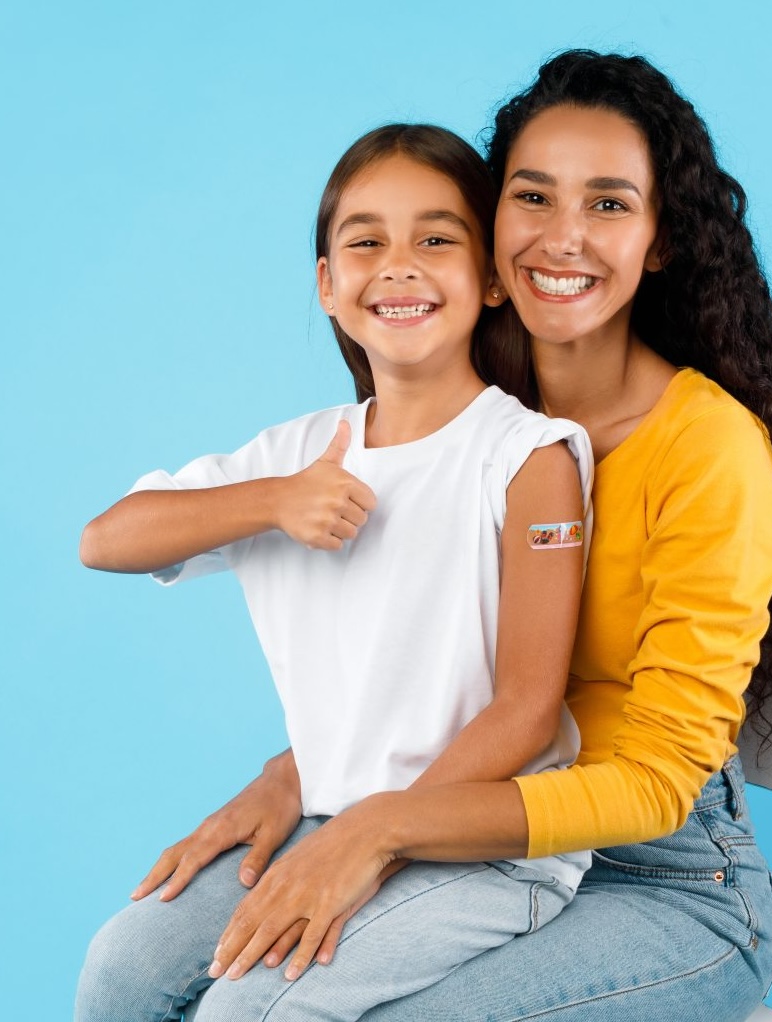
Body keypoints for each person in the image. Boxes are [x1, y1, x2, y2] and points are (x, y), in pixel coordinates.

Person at [121, 51, 772, 1022]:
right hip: (462, 831)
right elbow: (415, 660)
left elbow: (651, 784)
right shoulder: (474, 414)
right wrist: (296, 778)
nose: (562, 237)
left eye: (607, 204)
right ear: (486, 223)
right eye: (532, 196)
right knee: (133, 975)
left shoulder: (709, 452)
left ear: (659, 240)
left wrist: (376, 829)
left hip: (662, 881)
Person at [74, 124, 596, 1022]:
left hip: (490, 851)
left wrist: (372, 839)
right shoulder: (298, 456)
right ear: (327, 284)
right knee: (121, 969)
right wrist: (272, 502)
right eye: (365, 242)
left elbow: (527, 708)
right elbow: (107, 539)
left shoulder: (529, 456)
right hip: (329, 819)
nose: (399, 267)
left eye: (436, 239)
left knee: (250, 1012)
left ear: (494, 280)